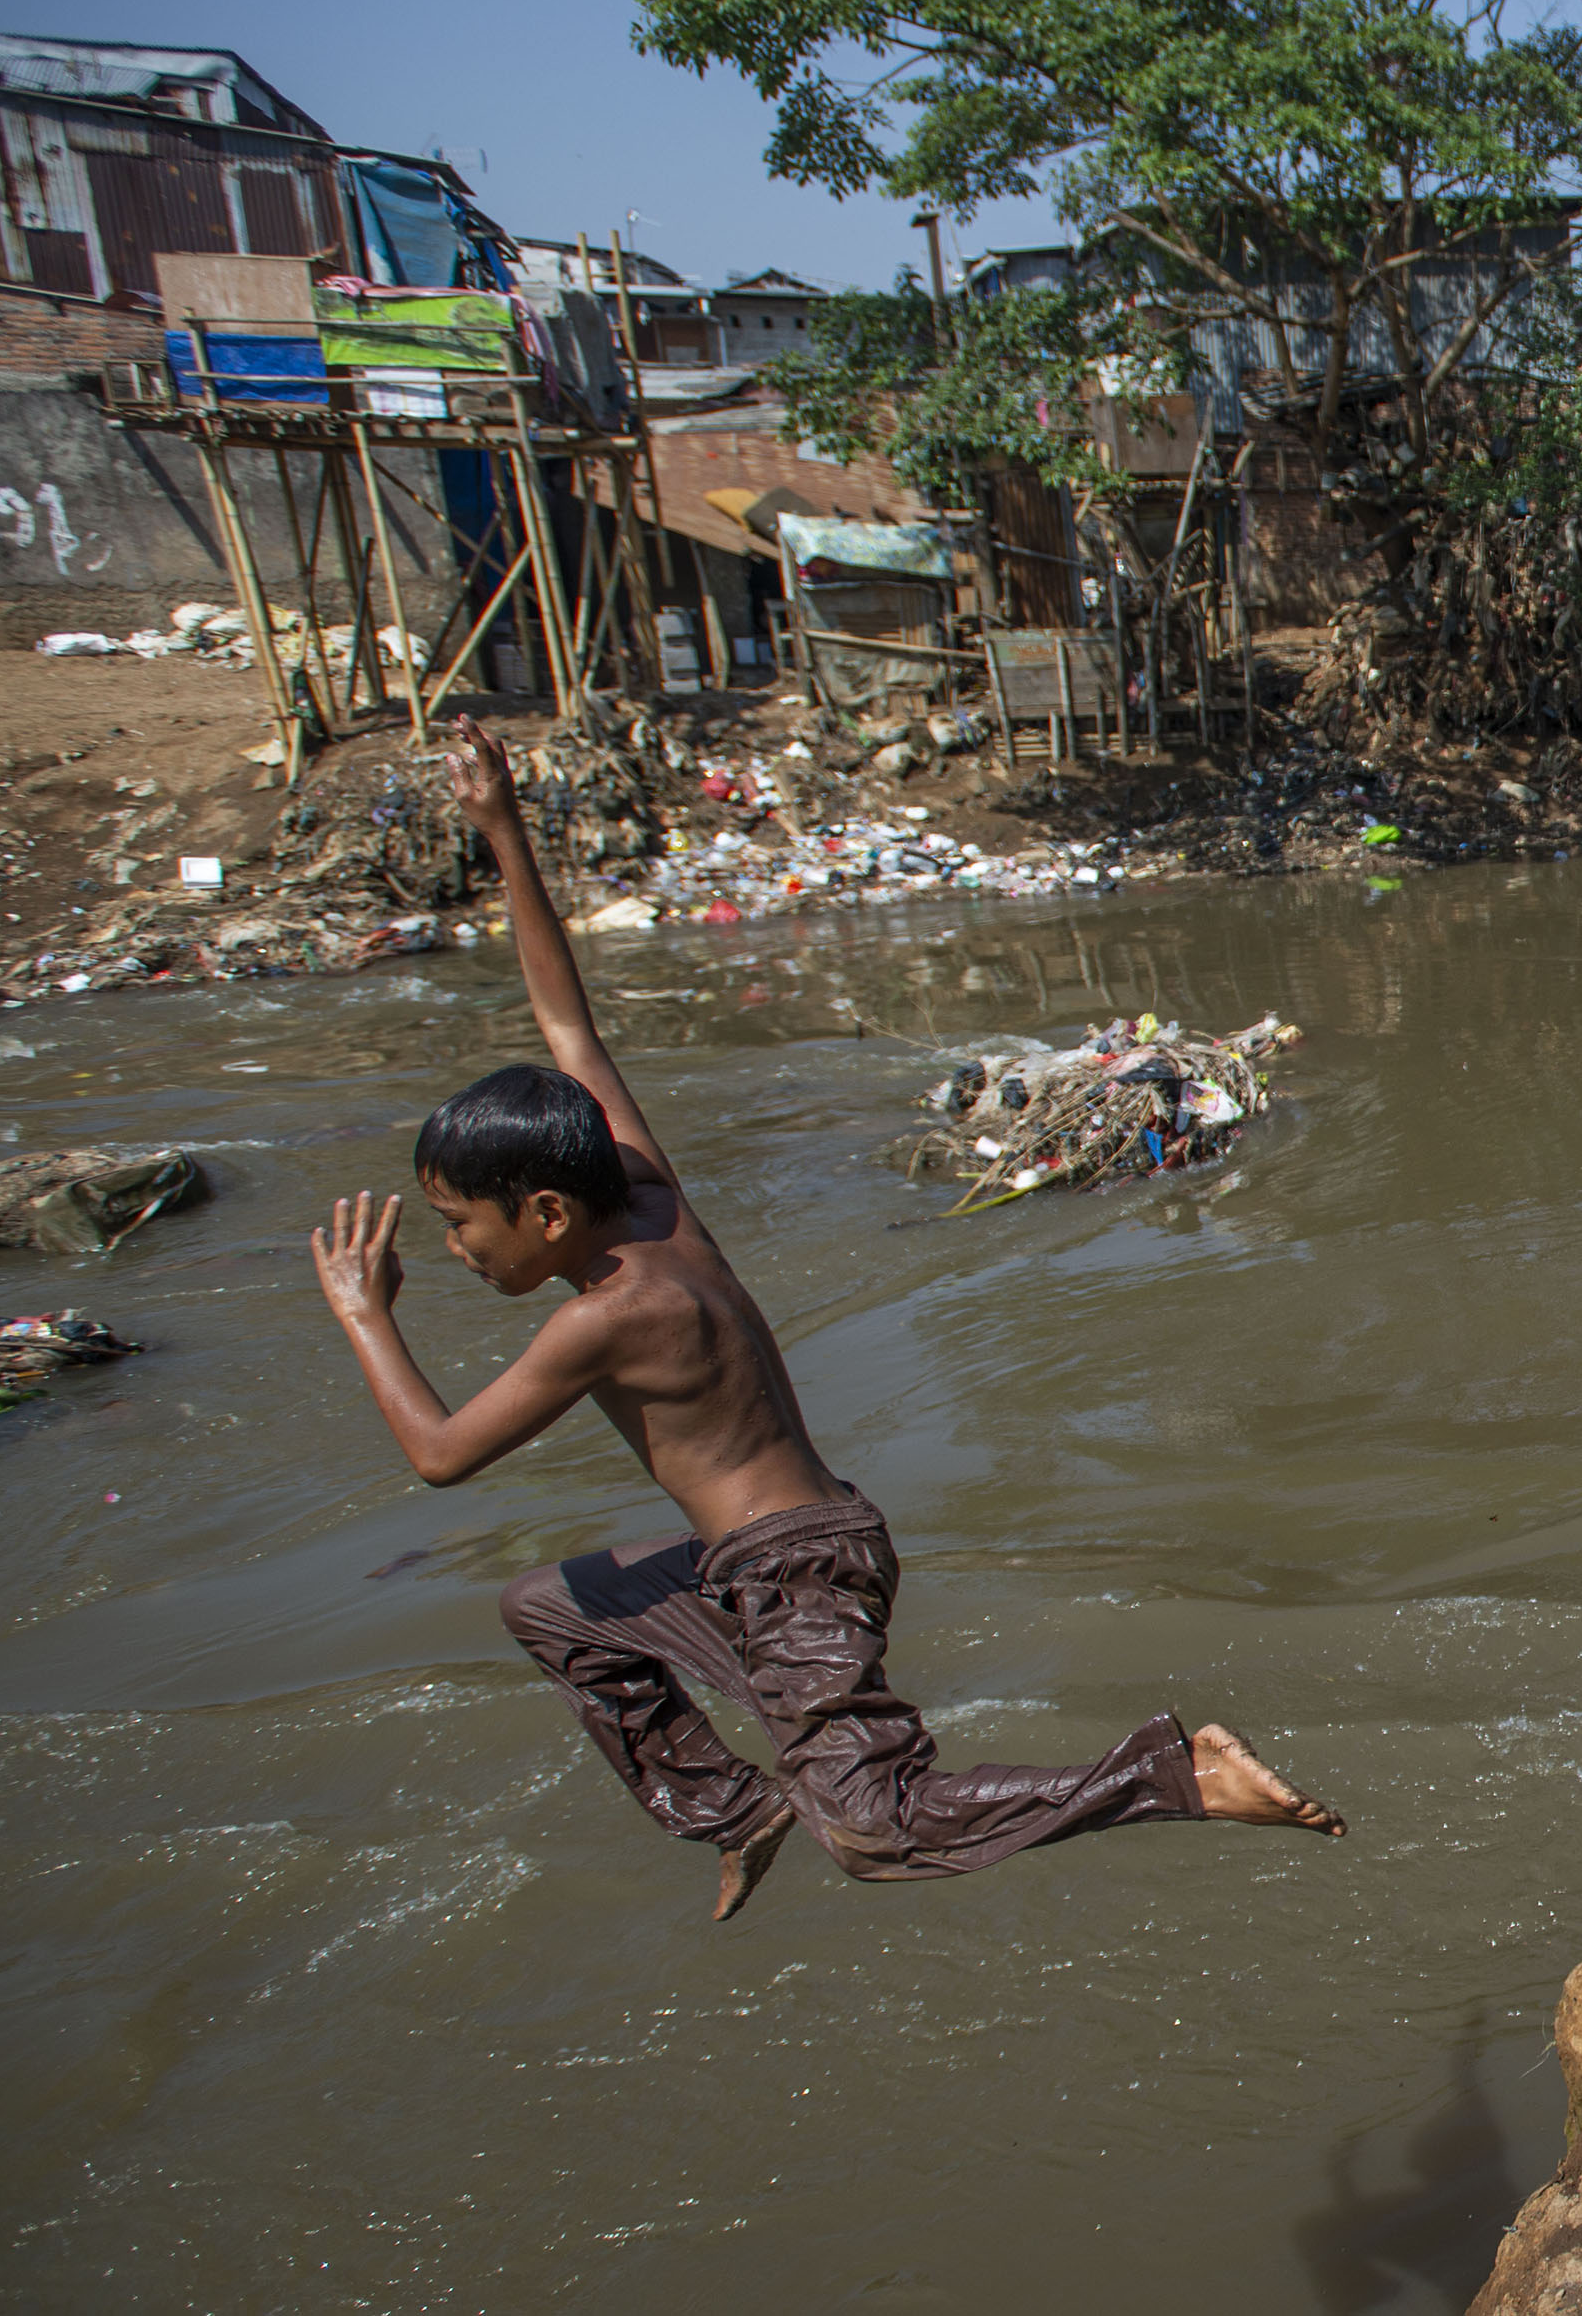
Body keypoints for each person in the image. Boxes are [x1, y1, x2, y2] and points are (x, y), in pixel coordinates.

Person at [309, 717, 1341, 1920]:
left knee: (874, 1831)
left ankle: (1177, 1779)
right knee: (547, 1606)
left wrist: (365, 1317)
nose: (449, 1252)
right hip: (762, 1558)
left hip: (797, 1576)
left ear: (544, 1213)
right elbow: (568, 1028)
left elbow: (439, 1457)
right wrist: (501, 832)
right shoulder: (648, 1202)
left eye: (457, 1226)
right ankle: (732, 1809)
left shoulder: (608, 1314)